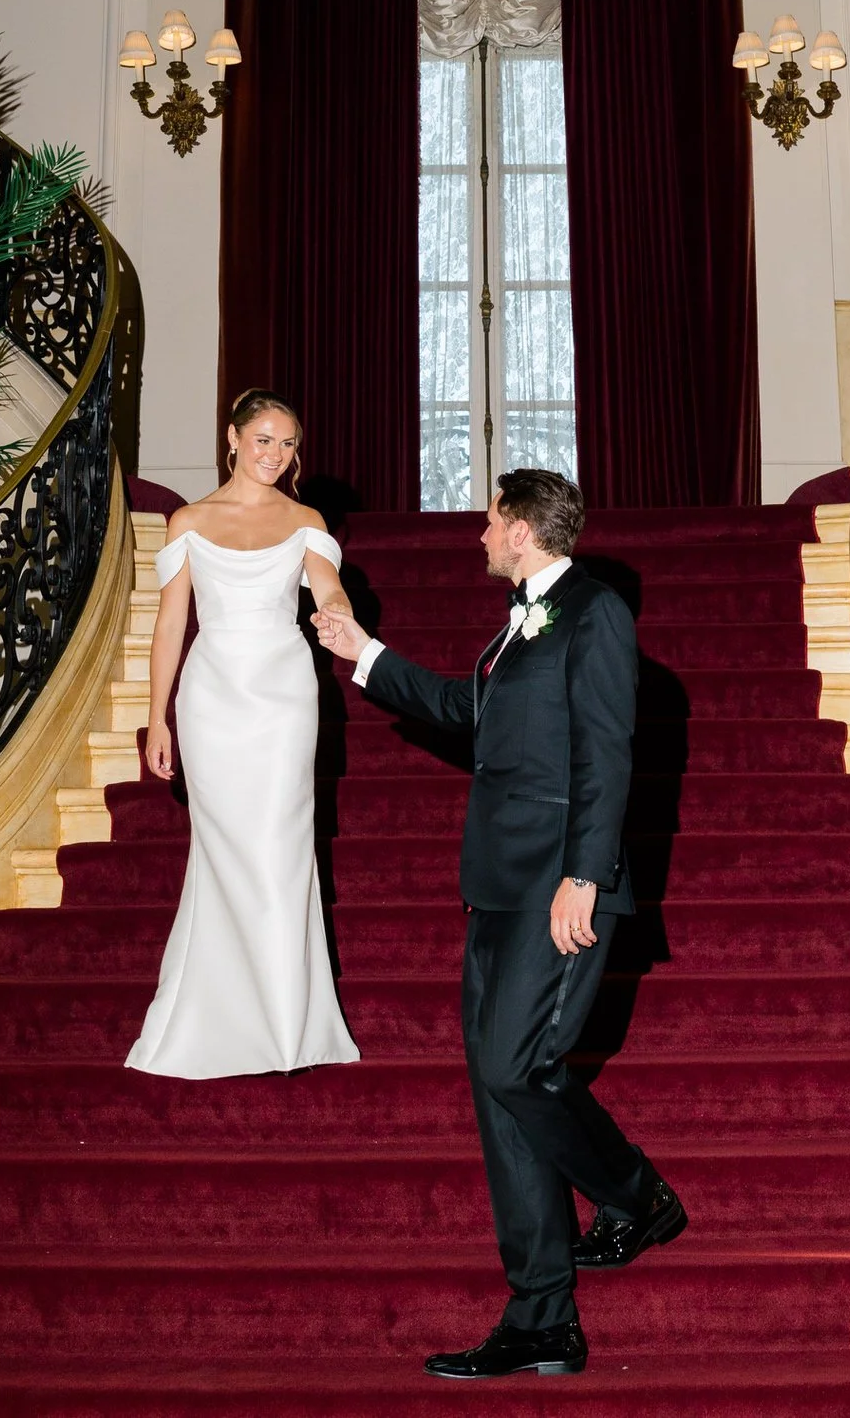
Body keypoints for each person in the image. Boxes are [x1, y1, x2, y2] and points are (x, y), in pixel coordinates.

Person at [313, 468, 685, 1380]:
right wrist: (365, 653)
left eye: (489, 520)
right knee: (498, 1087)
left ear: (520, 529)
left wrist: (583, 876)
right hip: (496, 885)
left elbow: (606, 752)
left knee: (519, 1068)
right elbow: (468, 715)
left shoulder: (594, 613)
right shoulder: (516, 626)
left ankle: (637, 1195)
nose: (478, 534)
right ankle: (541, 1316)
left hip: (556, 885)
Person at [125, 389, 360, 1081]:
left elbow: (328, 587)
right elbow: (171, 623)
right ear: (232, 438)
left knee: (283, 846)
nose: (275, 454)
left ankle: (289, 1022)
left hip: (284, 694)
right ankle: (219, 1015)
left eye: (287, 444)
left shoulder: (305, 520)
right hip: (211, 696)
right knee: (223, 845)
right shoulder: (189, 522)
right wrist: (157, 716)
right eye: (263, 439)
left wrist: (336, 612)